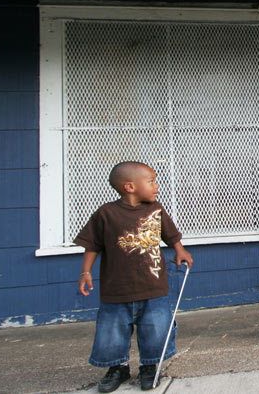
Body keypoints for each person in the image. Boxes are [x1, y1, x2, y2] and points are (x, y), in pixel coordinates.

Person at [76, 161, 194, 392]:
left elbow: (170, 235)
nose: (156, 186)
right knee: (112, 331)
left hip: (153, 286)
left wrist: (180, 250)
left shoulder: (156, 210)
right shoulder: (106, 214)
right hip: (116, 290)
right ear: (129, 186)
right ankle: (117, 367)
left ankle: (150, 366)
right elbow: (92, 245)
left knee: (156, 327)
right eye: (151, 181)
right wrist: (85, 272)